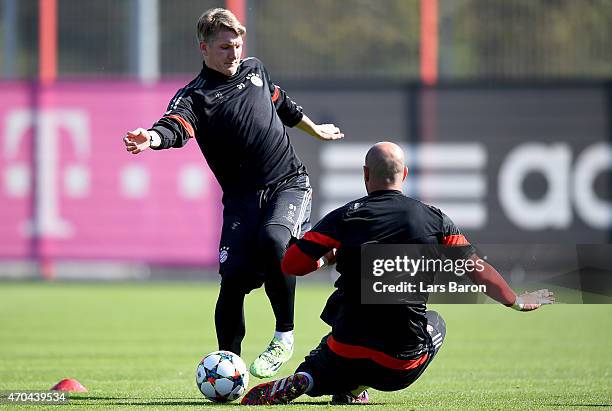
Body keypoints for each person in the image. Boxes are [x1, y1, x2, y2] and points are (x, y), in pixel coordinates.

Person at [240, 142, 554, 405]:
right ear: (404, 174)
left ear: (365, 175)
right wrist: (515, 301)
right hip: (399, 365)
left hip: (346, 350)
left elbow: (291, 264)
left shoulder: (345, 216)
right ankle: (354, 389)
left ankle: (309, 379)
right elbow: (477, 271)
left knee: (336, 343)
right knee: (436, 321)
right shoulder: (434, 220)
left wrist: (327, 259)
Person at [123, 8, 343, 378]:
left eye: (238, 45)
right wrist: (152, 138)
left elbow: (282, 104)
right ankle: (228, 367)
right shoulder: (195, 96)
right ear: (203, 48)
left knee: (275, 240)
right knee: (233, 283)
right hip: (242, 200)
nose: (234, 53)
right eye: (225, 47)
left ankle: (283, 336)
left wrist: (314, 129)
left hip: (288, 182)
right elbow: (174, 127)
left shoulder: (255, 69)